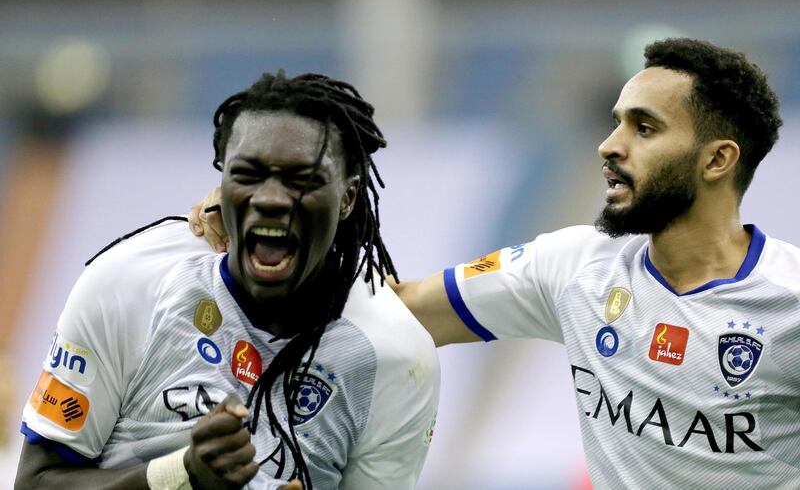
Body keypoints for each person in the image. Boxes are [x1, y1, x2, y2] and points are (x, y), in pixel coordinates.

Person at [192, 38, 799, 488]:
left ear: (717, 160)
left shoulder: (788, 304)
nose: (610, 145)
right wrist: (281, 220)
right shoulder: (574, 266)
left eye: (644, 128)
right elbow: (400, 313)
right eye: (616, 123)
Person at [16, 71, 439, 490]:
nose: (271, 199)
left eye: (301, 180)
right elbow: (36, 483)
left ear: (347, 197)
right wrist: (181, 477)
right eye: (247, 175)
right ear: (221, 183)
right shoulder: (129, 283)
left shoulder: (395, 355)